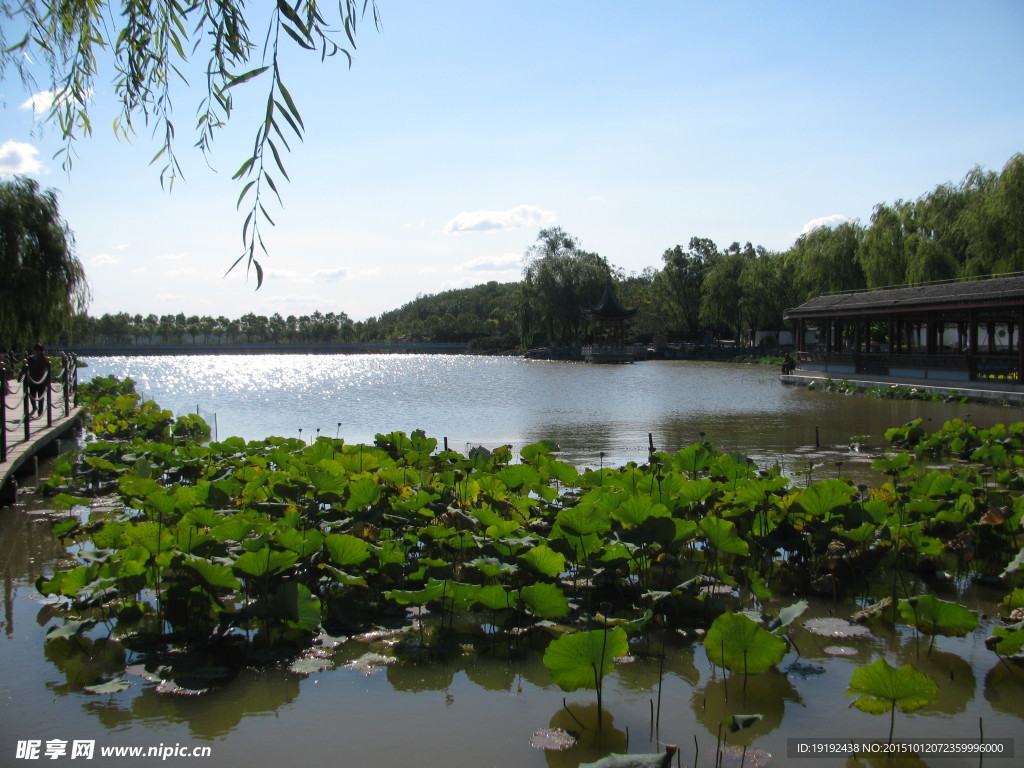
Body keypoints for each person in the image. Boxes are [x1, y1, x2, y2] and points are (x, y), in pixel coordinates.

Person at [25, 343, 50, 418]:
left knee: (41, 396)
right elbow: (26, 368)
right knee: (32, 395)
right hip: (32, 380)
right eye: (36, 350)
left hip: (41, 380)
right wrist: (21, 378)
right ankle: (34, 407)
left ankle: (40, 411)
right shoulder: (30, 359)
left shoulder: (44, 359)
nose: (38, 352)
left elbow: (47, 370)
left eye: (40, 350)